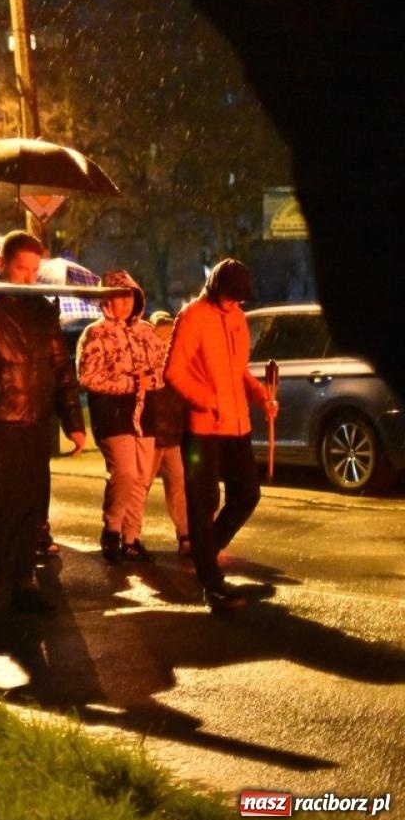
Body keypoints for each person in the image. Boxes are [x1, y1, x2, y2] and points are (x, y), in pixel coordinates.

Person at [0, 230, 86, 613]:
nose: (28, 277)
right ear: (2, 264)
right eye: (20, 268)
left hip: (34, 422)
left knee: (30, 505)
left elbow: (60, 366)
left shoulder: (43, 310)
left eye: (33, 269)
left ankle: (24, 577)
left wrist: (72, 420)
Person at [163, 258, 277, 613]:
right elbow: (173, 372)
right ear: (216, 289)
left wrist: (259, 395)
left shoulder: (238, 319)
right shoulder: (193, 316)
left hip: (237, 424)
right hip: (204, 428)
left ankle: (205, 553)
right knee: (203, 502)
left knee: (247, 494)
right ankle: (211, 581)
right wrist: (207, 400)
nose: (236, 304)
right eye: (231, 297)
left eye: (241, 299)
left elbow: (237, 370)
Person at [76, 270, 169, 564]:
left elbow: (162, 369)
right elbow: (88, 377)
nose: (124, 303)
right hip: (113, 415)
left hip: (146, 413)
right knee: (125, 472)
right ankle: (112, 529)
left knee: (142, 477)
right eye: (118, 297)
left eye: (129, 296)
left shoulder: (146, 332)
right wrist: (129, 383)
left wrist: (147, 382)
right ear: (106, 300)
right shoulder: (95, 333)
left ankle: (132, 538)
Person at [142, 310, 191, 557]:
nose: (165, 341)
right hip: (150, 434)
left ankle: (185, 534)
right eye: (161, 335)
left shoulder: (179, 363)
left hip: (173, 434)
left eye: (169, 335)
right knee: (141, 486)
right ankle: (128, 536)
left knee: (178, 486)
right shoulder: (147, 363)